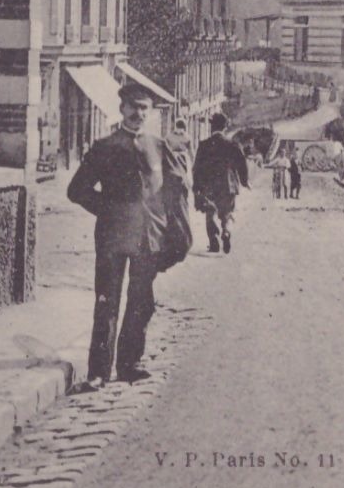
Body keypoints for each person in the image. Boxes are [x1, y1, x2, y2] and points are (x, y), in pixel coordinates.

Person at [66, 83, 168, 388]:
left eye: (144, 108)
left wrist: (167, 228)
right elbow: (77, 191)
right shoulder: (104, 147)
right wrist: (109, 210)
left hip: (147, 239)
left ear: (150, 112)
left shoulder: (159, 147)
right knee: (107, 301)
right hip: (112, 236)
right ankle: (98, 372)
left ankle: (129, 364)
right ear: (121, 108)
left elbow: (169, 193)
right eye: (133, 106)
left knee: (141, 301)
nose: (138, 113)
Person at [193, 113, 249, 254]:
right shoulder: (233, 145)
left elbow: (197, 168)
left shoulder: (204, 145)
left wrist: (197, 186)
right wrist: (244, 180)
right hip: (228, 185)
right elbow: (242, 163)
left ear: (212, 127)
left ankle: (214, 242)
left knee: (210, 212)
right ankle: (226, 231)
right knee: (227, 213)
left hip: (209, 185)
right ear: (225, 127)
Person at [159, 117, 196, 267]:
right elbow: (192, 153)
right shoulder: (187, 137)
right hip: (182, 161)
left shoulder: (168, 136)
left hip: (169, 162)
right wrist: (192, 165)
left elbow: (164, 150)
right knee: (182, 181)